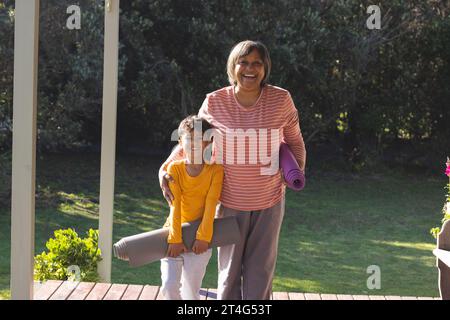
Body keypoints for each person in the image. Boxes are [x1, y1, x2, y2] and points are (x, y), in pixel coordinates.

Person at [159, 40, 306, 300]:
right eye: (244, 62)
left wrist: (295, 173)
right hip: (228, 202)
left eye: (257, 63)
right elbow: (192, 139)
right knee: (228, 276)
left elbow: (294, 141)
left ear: (265, 68)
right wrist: (165, 167)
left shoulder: (281, 100)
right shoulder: (215, 102)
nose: (250, 69)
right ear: (233, 66)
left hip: (269, 202)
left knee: (260, 275)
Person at [159, 115, 224, 300]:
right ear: (180, 142)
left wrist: (203, 238)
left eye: (200, 139)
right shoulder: (174, 169)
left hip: (200, 239)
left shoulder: (216, 171)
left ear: (207, 142)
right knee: (169, 287)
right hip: (173, 235)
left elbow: (211, 205)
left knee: (191, 294)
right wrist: (175, 239)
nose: (194, 144)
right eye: (189, 139)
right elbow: (175, 205)